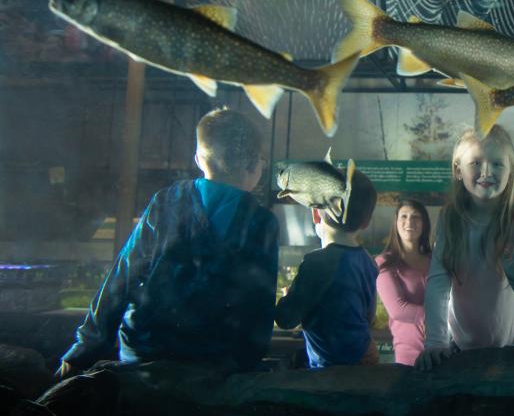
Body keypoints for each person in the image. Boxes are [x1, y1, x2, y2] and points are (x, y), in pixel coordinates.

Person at [57, 108, 278, 378]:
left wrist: (85, 349)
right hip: (212, 362)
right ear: (256, 165)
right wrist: (246, 364)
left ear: (199, 159)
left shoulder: (166, 201)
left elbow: (123, 275)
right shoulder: (262, 222)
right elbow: (260, 304)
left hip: (145, 352)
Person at [415, 125, 514, 370]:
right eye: (475, 163)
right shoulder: (450, 217)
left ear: (511, 171)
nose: (486, 171)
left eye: (497, 164)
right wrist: (435, 343)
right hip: (460, 344)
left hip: (511, 345)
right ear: (458, 170)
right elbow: (439, 283)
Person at [274, 168, 379, 368]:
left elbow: (286, 319)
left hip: (328, 373)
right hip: (363, 364)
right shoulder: (368, 261)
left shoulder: (317, 263)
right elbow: (370, 317)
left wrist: (290, 298)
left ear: (315, 212)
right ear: (366, 223)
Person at [375, 199, 433, 366]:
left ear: (424, 224)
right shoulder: (384, 262)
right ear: (396, 222)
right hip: (409, 355)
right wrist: (440, 317)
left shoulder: (435, 260)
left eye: (416, 217)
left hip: (441, 350)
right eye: (404, 216)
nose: (409, 222)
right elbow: (398, 310)